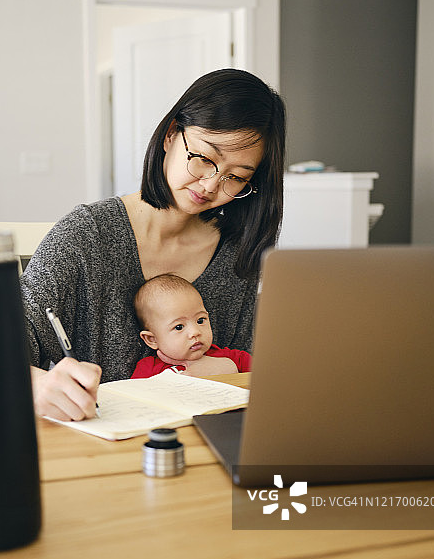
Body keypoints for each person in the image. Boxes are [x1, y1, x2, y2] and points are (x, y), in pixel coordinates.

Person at [21, 68, 286, 421]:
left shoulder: (235, 255)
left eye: (236, 177)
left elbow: (248, 377)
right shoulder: (88, 235)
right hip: (97, 446)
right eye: (204, 158)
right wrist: (37, 385)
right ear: (171, 135)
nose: (210, 185)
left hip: (200, 443)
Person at [131, 273, 251, 378]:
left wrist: (231, 368)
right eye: (179, 327)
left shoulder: (233, 358)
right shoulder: (148, 369)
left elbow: (266, 377)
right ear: (152, 339)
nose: (195, 332)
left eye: (200, 320)